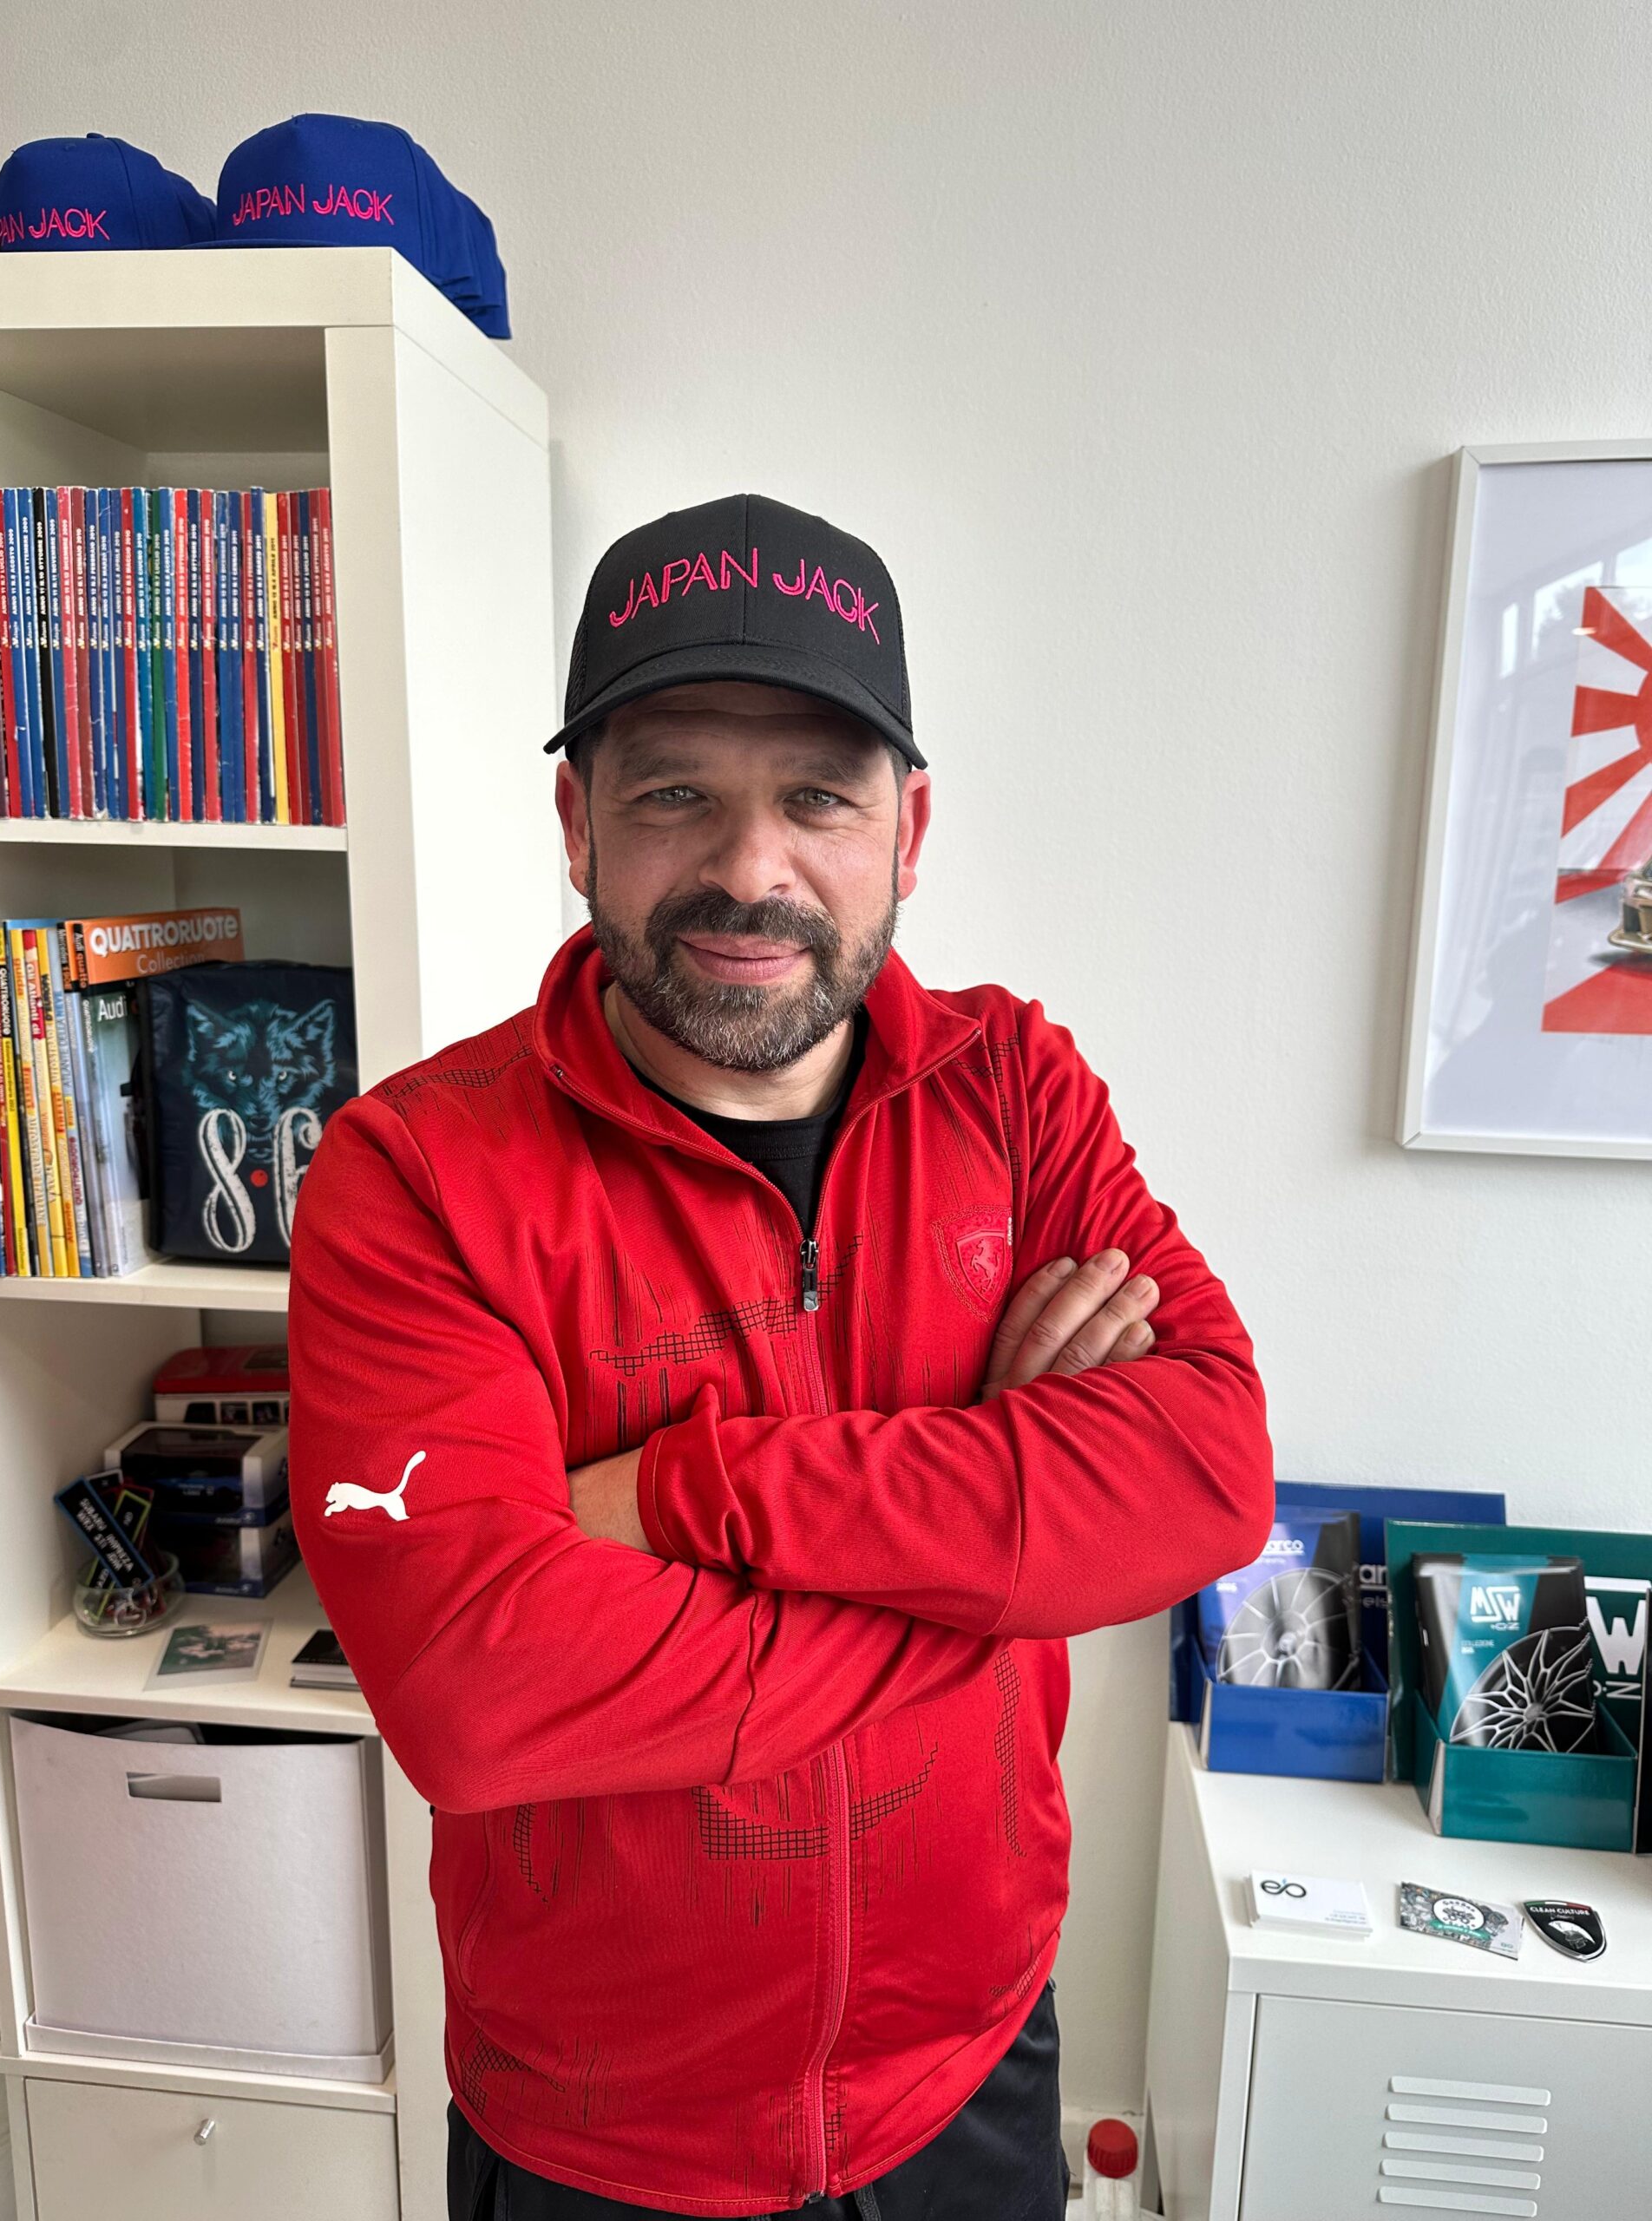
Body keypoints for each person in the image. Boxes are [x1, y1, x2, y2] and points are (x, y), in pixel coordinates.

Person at [286, 492, 1274, 2220]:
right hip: (602, 2136)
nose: (751, 868)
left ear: (909, 829)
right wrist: (1002, 1548)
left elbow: (1205, 1470)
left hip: (971, 2069)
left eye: (819, 795)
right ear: (577, 822)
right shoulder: (416, 1173)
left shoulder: (1013, 1089)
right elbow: (479, 1690)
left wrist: (683, 1490)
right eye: (675, 791)